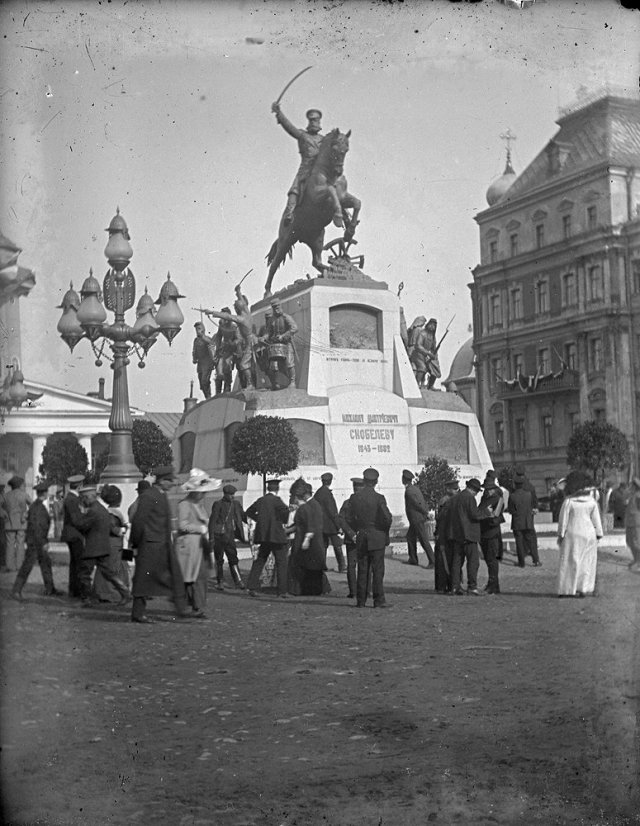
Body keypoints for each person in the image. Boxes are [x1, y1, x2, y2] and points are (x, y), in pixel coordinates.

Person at [129, 465, 188, 623]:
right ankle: (138, 613)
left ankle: (181, 608)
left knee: (174, 576)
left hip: (162, 544)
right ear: (162, 481)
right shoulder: (149, 496)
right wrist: (135, 543)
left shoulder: (160, 494)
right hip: (150, 545)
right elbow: (139, 522)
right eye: (169, 481)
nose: (171, 484)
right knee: (143, 579)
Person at [76, 484, 132, 608]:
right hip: (105, 547)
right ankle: (125, 592)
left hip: (93, 547)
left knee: (84, 574)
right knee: (109, 573)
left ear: (90, 497)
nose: (83, 500)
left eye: (84, 498)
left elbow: (81, 525)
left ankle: (88, 599)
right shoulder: (102, 509)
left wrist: (80, 514)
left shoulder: (94, 511)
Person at [175, 469, 221, 618]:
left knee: (200, 576)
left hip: (200, 545)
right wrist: (198, 528)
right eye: (202, 492)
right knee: (190, 577)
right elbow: (182, 525)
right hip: (188, 546)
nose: (204, 494)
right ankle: (192, 606)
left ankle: (197, 606)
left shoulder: (198, 504)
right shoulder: (185, 504)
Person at [271, 102, 324, 225]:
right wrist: (279, 113)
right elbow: (289, 127)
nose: (314, 123)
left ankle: (345, 216)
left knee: (334, 186)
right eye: (312, 120)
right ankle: (289, 213)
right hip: (305, 170)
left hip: (319, 171)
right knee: (294, 189)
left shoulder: (323, 139)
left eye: (316, 121)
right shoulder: (302, 135)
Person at [11, 482, 63, 600]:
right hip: (36, 542)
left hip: (35, 541)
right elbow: (39, 527)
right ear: (44, 493)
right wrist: (44, 542)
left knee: (45, 564)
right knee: (28, 566)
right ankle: (16, 590)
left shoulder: (35, 506)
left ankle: (50, 588)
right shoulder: (39, 508)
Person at [350, 467, 393, 608]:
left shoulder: (355, 498)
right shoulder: (379, 498)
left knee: (362, 569)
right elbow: (387, 518)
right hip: (377, 537)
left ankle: (360, 600)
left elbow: (350, 518)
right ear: (376, 481)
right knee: (378, 570)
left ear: (364, 480)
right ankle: (378, 599)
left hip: (362, 536)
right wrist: (383, 531)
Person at [557, 470, 603, 597]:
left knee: (569, 561)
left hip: (572, 533)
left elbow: (563, 521)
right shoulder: (592, 502)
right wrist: (598, 533)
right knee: (586, 562)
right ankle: (583, 588)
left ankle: (567, 590)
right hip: (589, 534)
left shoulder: (568, 502)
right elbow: (596, 521)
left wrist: (560, 535)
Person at [245, 478, 291, 598]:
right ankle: (282, 591)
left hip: (263, 536)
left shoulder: (261, 500)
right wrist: (282, 520)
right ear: (278, 489)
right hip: (276, 536)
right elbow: (285, 512)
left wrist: (259, 520)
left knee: (260, 561)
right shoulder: (277, 500)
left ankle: (251, 587)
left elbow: (249, 512)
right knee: (281, 562)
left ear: (267, 488)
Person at [205, 285, 256, 390]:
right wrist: (238, 292)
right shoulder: (246, 311)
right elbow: (242, 301)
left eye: (235, 308)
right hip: (252, 340)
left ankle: (250, 385)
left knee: (243, 365)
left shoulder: (241, 318)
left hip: (248, 342)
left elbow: (228, 316)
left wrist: (212, 312)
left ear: (238, 308)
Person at [449, 478, 489, 596]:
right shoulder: (469, 498)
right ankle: (472, 586)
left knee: (457, 562)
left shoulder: (456, 498)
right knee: (473, 562)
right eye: (477, 491)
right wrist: (486, 512)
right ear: (474, 490)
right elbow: (474, 515)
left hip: (457, 534)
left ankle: (455, 587)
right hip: (469, 535)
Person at [288, 481, 329, 596]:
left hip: (311, 540)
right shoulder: (312, 505)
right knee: (311, 567)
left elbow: (308, 524)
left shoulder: (310, 506)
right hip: (312, 539)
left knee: (309, 567)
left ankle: (310, 590)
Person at [92, 485, 130, 603]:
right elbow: (115, 530)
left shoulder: (108, 513)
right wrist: (124, 529)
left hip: (113, 545)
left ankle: (105, 592)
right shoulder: (113, 514)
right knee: (115, 569)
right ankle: (112, 593)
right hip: (115, 545)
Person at [209, 483, 247, 590]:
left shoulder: (236, 504)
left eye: (233, 494)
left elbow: (243, 516)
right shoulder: (218, 504)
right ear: (225, 494)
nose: (232, 496)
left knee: (233, 558)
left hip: (230, 536)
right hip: (219, 536)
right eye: (230, 494)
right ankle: (220, 581)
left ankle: (238, 581)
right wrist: (211, 537)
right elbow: (212, 521)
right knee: (219, 560)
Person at [314, 472, 347, 573]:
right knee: (337, 545)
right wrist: (339, 526)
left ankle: (322, 566)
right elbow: (332, 512)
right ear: (330, 481)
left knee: (323, 546)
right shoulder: (328, 494)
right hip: (330, 525)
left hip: (320, 524)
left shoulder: (318, 493)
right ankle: (342, 566)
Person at [339, 476, 366, 599]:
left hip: (351, 539)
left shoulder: (347, 503)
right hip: (364, 538)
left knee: (351, 565)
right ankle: (366, 590)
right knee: (365, 565)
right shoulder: (367, 502)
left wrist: (351, 533)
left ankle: (353, 592)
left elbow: (341, 520)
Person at [402, 469, 434, 567]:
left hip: (416, 519)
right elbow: (422, 502)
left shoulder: (409, 491)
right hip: (416, 519)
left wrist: (426, 513)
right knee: (410, 537)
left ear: (403, 479)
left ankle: (433, 561)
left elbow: (417, 504)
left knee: (424, 540)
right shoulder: (415, 489)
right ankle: (413, 559)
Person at [61, 473, 86, 598]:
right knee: (79, 562)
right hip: (75, 535)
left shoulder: (71, 498)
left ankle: (74, 589)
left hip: (71, 534)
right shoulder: (72, 499)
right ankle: (78, 590)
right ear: (80, 486)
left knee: (74, 563)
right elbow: (76, 520)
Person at [479, 473, 505, 595]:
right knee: (489, 560)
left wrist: (485, 514)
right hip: (484, 532)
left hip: (492, 532)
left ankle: (494, 585)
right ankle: (491, 583)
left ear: (494, 489)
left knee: (492, 560)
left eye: (489, 489)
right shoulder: (485, 498)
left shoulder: (498, 499)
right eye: (486, 489)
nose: (487, 491)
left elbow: (496, 515)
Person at [508, 474, 541, 568]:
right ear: (522, 484)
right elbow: (532, 506)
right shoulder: (529, 495)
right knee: (531, 542)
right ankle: (536, 561)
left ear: (515, 484)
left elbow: (510, 510)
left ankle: (521, 563)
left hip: (517, 522)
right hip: (528, 521)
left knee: (519, 543)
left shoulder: (512, 496)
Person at [265, 298, 298, 388]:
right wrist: (263, 338)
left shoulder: (286, 317)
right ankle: (275, 384)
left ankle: (292, 382)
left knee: (289, 363)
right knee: (273, 366)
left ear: (280, 306)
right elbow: (268, 333)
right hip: (276, 345)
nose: (276, 309)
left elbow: (294, 328)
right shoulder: (271, 320)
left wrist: (283, 336)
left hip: (287, 343)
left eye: (278, 307)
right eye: (274, 308)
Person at [433, 480, 459, 594]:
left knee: (446, 560)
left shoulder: (448, 500)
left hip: (446, 534)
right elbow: (441, 520)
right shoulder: (446, 502)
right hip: (445, 535)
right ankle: (443, 585)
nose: (456, 491)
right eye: (454, 489)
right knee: (443, 561)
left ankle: (445, 585)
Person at [4, 475, 30, 571]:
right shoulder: (23, 494)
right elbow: (33, 505)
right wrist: (26, 515)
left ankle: (10, 566)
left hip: (9, 523)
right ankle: (20, 565)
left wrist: (5, 514)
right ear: (20, 485)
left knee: (9, 545)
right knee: (20, 544)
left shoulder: (6, 495)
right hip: (21, 523)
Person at [409, 318, 441, 390]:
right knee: (422, 367)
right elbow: (418, 346)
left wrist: (435, 357)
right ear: (428, 324)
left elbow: (433, 349)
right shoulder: (423, 333)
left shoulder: (432, 337)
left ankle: (430, 386)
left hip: (425, 356)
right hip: (417, 354)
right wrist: (428, 354)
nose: (432, 327)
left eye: (434, 325)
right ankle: (416, 385)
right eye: (431, 324)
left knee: (435, 367)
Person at [212, 309, 238, 394]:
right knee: (219, 370)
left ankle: (227, 387)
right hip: (224, 350)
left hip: (232, 350)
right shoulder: (222, 327)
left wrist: (233, 343)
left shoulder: (234, 327)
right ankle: (218, 391)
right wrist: (218, 348)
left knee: (227, 367)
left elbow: (238, 339)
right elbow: (219, 337)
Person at [192, 321, 216, 399]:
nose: (197, 331)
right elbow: (194, 350)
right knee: (201, 384)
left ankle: (209, 396)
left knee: (205, 380)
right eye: (196, 329)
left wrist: (203, 337)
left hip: (207, 363)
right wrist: (194, 358)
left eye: (199, 329)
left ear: (203, 329)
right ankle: (207, 397)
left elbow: (212, 343)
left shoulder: (207, 338)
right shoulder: (196, 340)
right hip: (200, 363)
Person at [624, 477, 640, 573]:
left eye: (632, 485)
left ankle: (638, 561)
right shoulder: (633, 495)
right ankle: (635, 559)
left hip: (636, 523)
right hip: (630, 523)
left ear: (635, 486)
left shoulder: (638, 496)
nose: (630, 487)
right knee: (629, 542)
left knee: (636, 542)